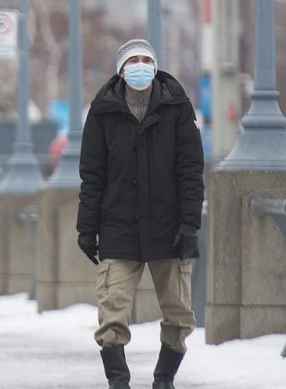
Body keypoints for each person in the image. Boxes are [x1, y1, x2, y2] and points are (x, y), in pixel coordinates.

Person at [77, 39, 204, 389]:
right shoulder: (102, 111)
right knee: (111, 312)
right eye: (132, 60)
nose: (140, 65)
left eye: (146, 59)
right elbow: (92, 175)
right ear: (120, 70)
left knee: (179, 315)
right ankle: (118, 381)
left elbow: (191, 169)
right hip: (118, 227)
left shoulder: (177, 106)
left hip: (169, 228)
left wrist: (190, 223)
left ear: (156, 65)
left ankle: (164, 380)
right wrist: (86, 228)